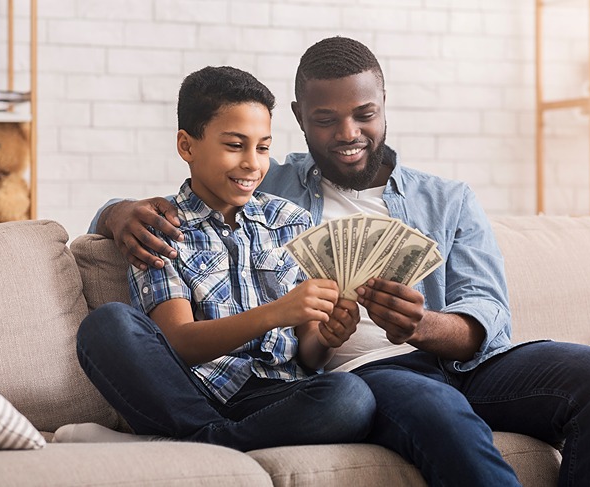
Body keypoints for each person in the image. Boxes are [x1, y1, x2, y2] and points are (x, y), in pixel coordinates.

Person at [88, 37, 590, 486]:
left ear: (384, 107)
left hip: (461, 364)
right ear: (301, 119)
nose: (348, 134)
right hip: (370, 372)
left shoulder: (446, 199)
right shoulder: (268, 185)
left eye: (364, 114)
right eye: (326, 119)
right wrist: (115, 212)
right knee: (424, 406)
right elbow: (198, 191)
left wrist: (423, 324)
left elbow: (490, 314)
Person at [76, 65, 376, 452]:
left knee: (352, 397)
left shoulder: (291, 222)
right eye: (235, 145)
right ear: (187, 146)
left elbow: (309, 353)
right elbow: (179, 343)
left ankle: (196, 440)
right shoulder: (159, 227)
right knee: (107, 324)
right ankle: (208, 434)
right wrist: (276, 313)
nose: (253, 163)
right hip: (194, 392)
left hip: (278, 394)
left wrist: (328, 337)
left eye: (263, 147)